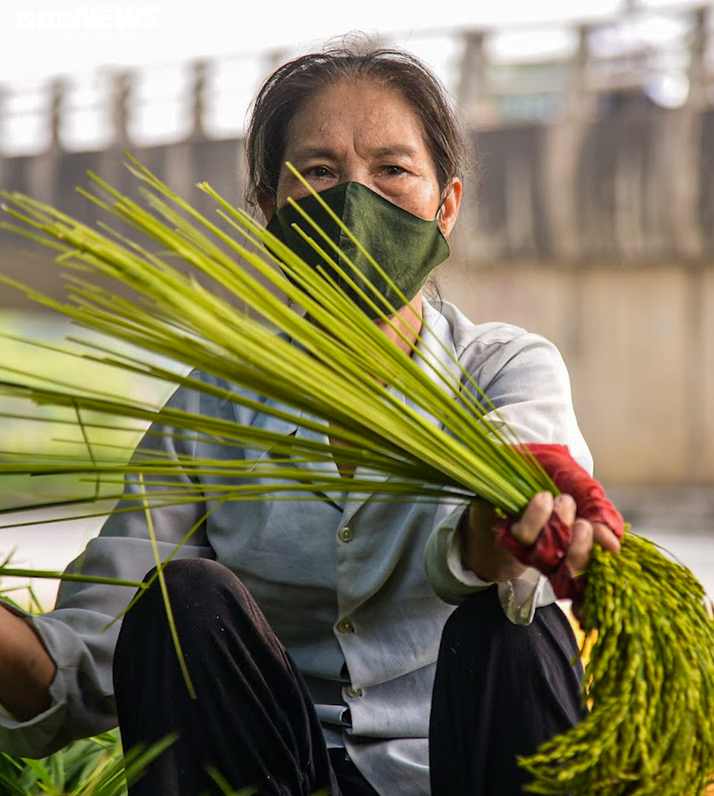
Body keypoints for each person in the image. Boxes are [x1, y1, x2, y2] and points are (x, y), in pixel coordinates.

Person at [0, 42, 623, 796]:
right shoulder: (215, 404)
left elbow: (521, 464)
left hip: (456, 765)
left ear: (446, 206)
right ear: (269, 210)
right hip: (274, 770)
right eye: (320, 172)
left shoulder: (503, 369)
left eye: (392, 169)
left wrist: (499, 534)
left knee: (514, 621)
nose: (354, 199)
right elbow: (83, 662)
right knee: (184, 599)